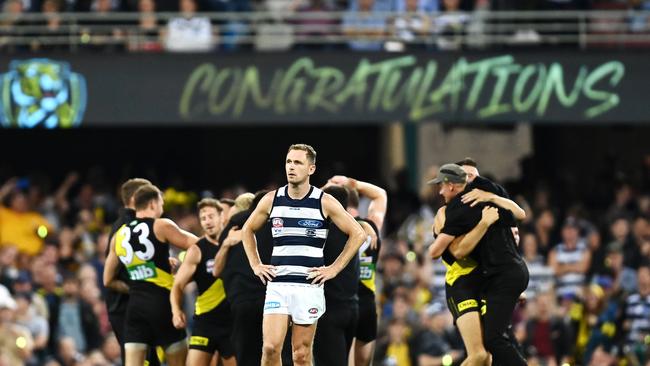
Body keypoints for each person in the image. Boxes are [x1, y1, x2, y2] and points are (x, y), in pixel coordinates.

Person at [242, 144, 366, 366]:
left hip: (308, 287)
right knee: (270, 348)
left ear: (311, 169)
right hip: (278, 285)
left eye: (297, 162)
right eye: (289, 162)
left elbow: (358, 233)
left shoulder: (323, 201)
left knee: (301, 354)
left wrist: (334, 268)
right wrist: (256, 264)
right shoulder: (272, 199)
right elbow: (247, 229)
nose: (291, 167)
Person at [428, 164, 529, 366]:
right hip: (461, 283)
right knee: (479, 355)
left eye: (474, 175)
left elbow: (519, 216)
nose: (472, 180)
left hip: (483, 281)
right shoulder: (445, 212)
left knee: (491, 353)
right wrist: (484, 223)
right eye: (467, 175)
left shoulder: (481, 205)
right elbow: (453, 251)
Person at [103, 184, 198, 366]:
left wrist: (135, 285)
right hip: (162, 305)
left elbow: (108, 280)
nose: (162, 209)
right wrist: (183, 272)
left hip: (135, 308)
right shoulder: (162, 225)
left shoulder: (119, 235)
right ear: (153, 204)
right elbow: (198, 245)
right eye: (161, 204)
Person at [324, 175, 387, 366]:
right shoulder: (371, 226)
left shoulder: (332, 228)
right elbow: (380, 195)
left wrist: (328, 187)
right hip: (368, 303)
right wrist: (354, 183)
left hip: (343, 300)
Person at [170, 198, 239, 366]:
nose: (207, 222)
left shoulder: (236, 242)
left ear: (222, 216)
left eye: (210, 216)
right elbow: (178, 285)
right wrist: (176, 310)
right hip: (205, 322)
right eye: (203, 218)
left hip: (231, 323)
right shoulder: (196, 250)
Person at [104, 178, 160, 365]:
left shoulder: (126, 224)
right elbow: (126, 273)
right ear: (137, 198)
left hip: (127, 307)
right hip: (127, 307)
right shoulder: (129, 227)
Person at [214, 191, 272, 366]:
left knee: (245, 353)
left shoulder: (232, 228)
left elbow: (217, 270)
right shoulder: (273, 226)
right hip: (269, 299)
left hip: (240, 300)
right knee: (272, 350)